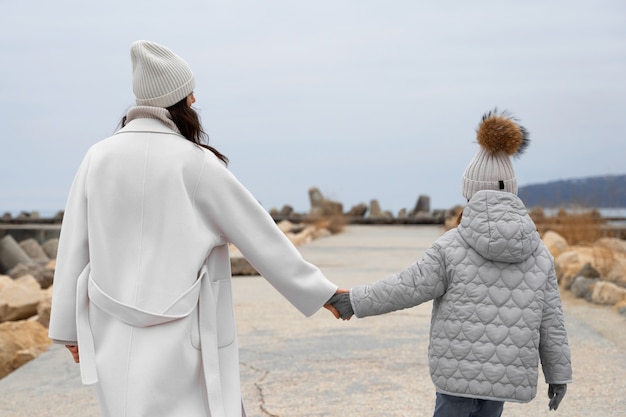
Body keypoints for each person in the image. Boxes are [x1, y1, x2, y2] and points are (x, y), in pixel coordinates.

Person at [48, 40, 344, 417]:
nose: (194, 99)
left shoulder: (98, 157)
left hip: (111, 327)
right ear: (177, 99)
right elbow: (260, 236)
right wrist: (322, 293)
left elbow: (74, 244)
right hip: (182, 327)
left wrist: (68, 328)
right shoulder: (196, 163)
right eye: (189, 91)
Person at [328, 110, 573, 416]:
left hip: (457, 376)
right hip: (503, 379)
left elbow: (407, 286)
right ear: (511, 188)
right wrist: (558, 375)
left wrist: (354, 300)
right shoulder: (539, 253)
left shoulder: (451, 246)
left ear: (469, 190)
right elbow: (552, 321)